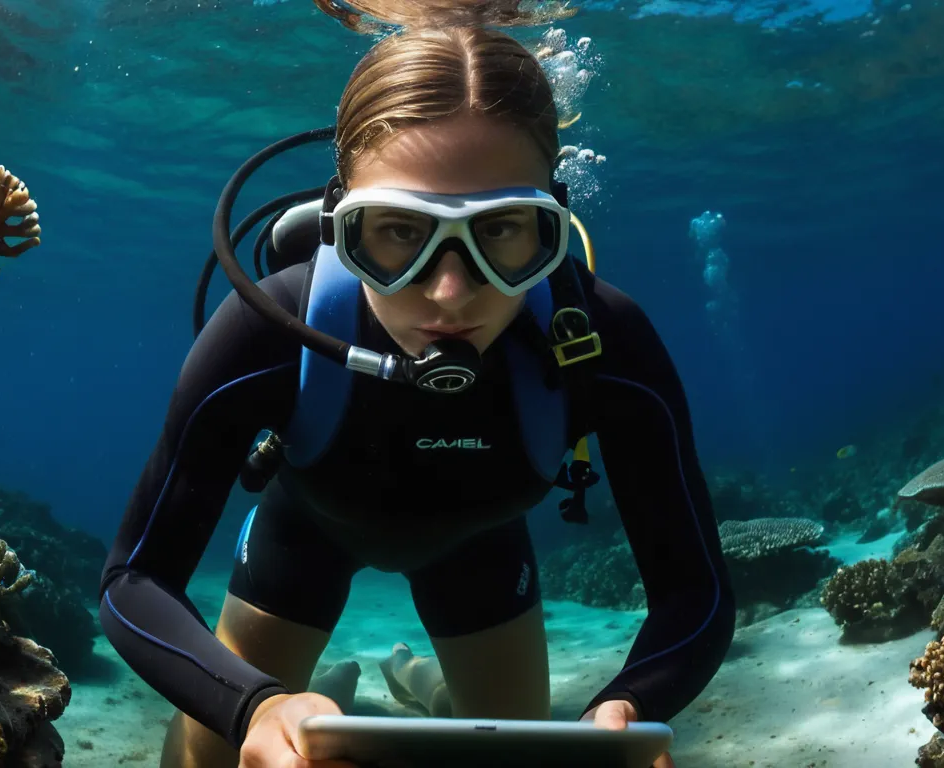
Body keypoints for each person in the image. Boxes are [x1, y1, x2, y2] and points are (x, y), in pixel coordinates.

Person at [99, 4, 735, 767]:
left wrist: (628, 708)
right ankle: (336, 688)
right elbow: (134, 581)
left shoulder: (602, 342)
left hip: (482, 554)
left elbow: (692, 592)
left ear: (552, 227)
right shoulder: (266, 330)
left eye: (501, 229)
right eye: (399, 231)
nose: (449, 292)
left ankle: (415, 683)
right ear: (341, 224)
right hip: (300, 540)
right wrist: (256, 705)